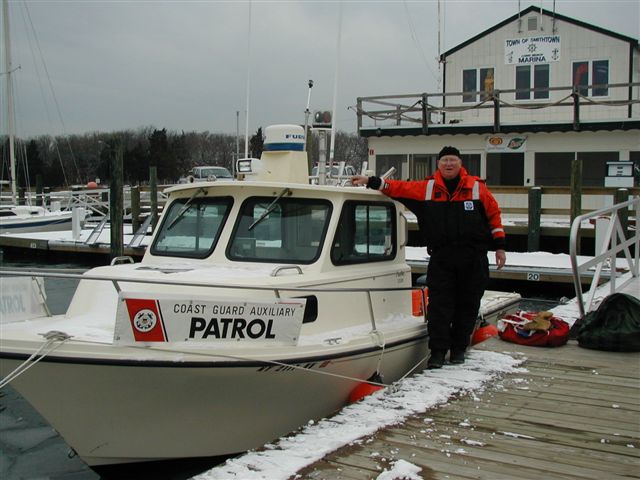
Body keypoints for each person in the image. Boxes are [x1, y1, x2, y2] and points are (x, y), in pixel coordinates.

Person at [352, 146, 506, 369]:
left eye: (453, 160)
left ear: (460, 164)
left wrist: (500, 247)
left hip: (473, 258)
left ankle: (459, 350)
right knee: (439, 308)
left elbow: (494, 216)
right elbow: (398, 188)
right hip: (442, 258)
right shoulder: (427, 188)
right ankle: (438, 352)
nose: (448, 164)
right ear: (438, 164)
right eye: (444, 160)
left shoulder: (477, 189)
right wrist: (371, 181)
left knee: (468, 305)